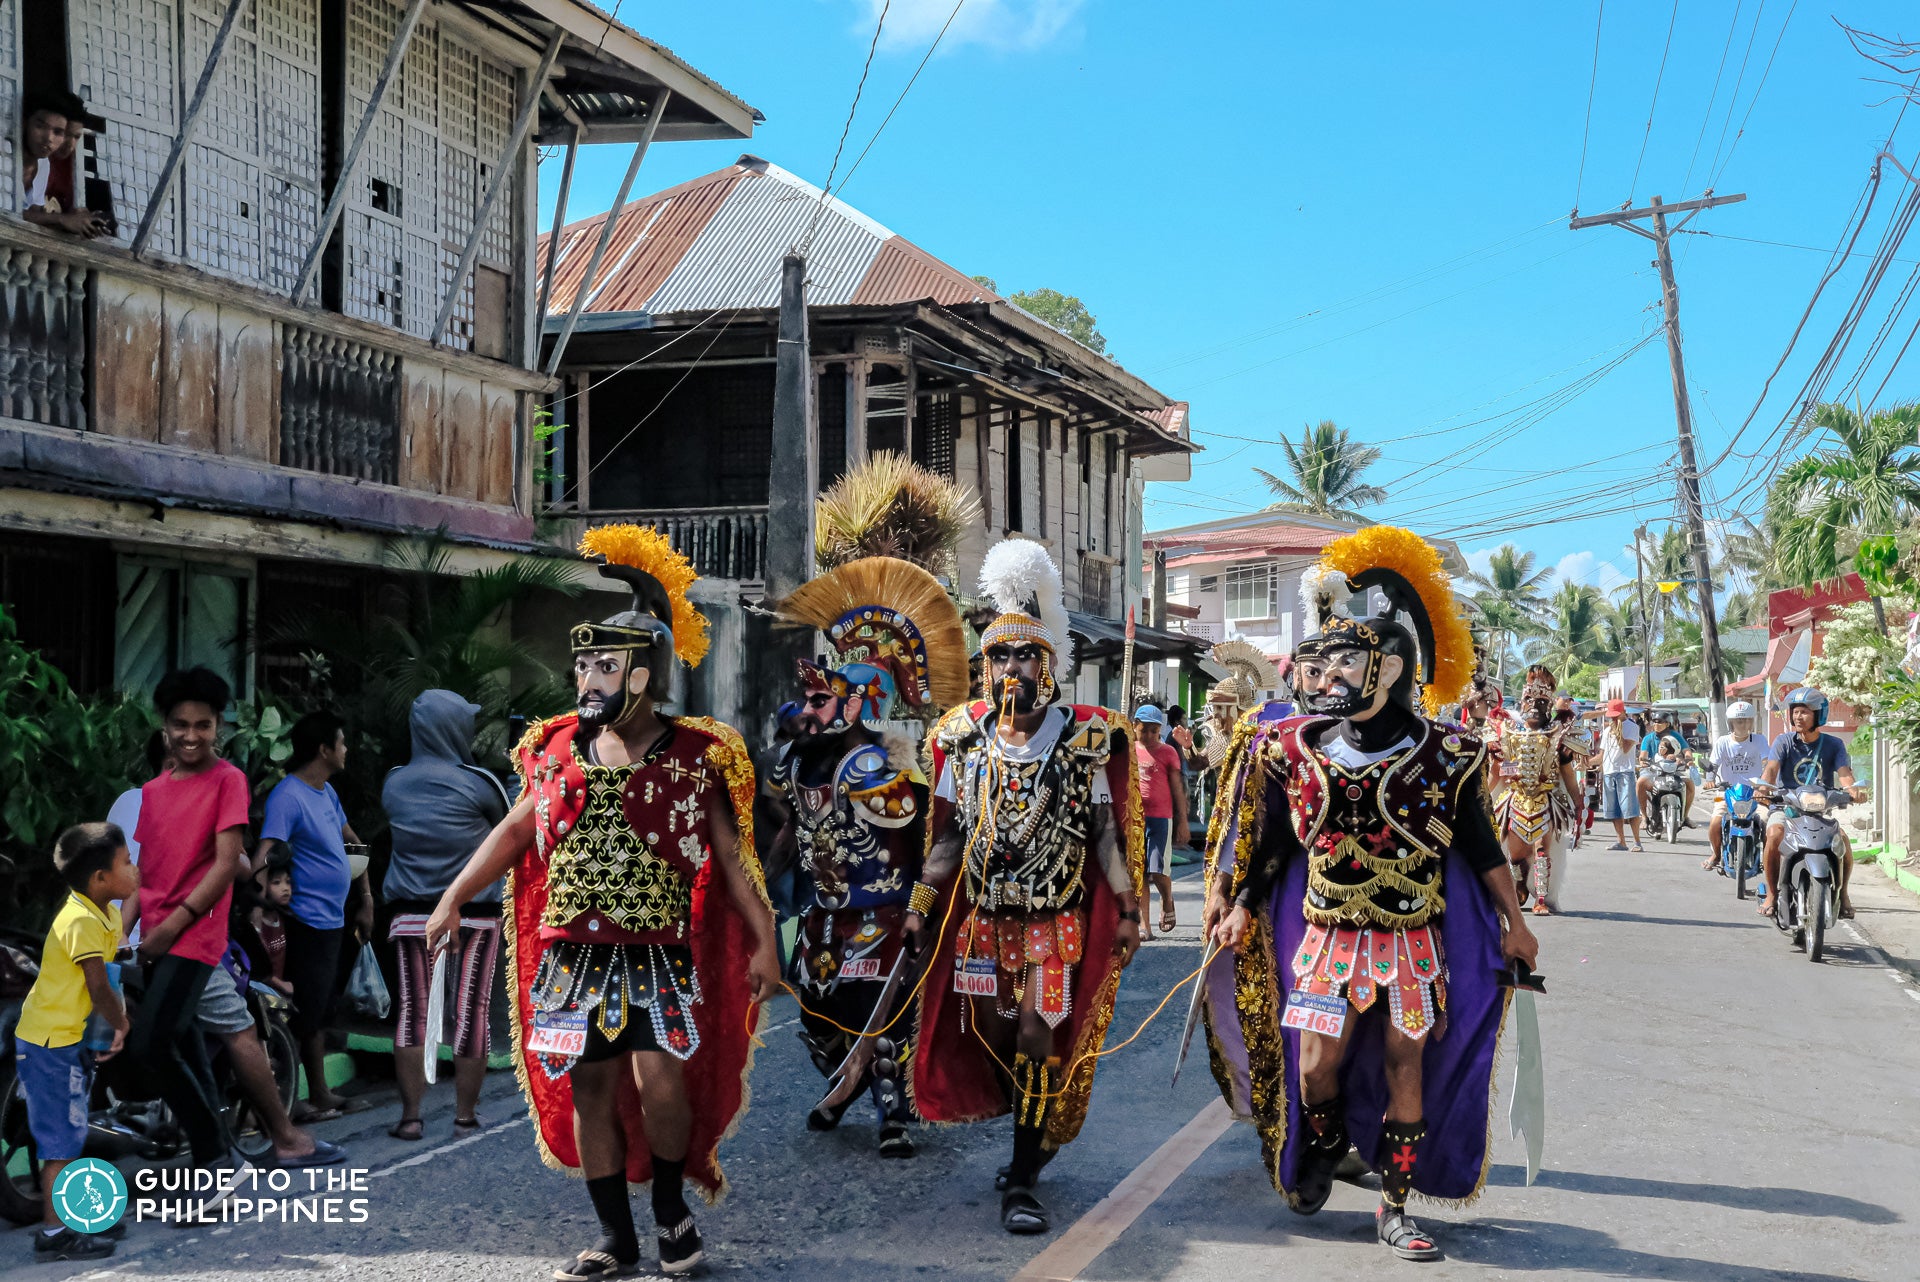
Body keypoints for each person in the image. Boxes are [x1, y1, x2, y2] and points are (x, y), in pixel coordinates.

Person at [427, 526, 779, 1280]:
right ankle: (613, 1236)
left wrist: (764, 939)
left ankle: (671, 1215)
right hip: (571, 951)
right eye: (582, 664)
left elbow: (731, 858)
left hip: (655, 947)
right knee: (591, 1089)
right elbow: (516, 830)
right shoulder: (552, 749)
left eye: (605, 665)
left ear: (644, 674)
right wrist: (454, 895)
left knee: (661, 1083)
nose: (587, 678)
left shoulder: (695, 754)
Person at [1204, 527, 1539, 1263]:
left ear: (1389, 669)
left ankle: (1393, 1206)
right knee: (1315, 1067)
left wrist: (1515, 922)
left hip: (1412, 940)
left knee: (1404, 1067)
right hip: (1325, 939)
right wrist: (1237, 905)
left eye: (1343, 663)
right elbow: (1273, 848)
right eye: (1320, 665)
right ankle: (1323, 1145)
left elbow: (1481, 846)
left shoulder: (1446, 755)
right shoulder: (1297, 752)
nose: (1325, 679)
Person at [909, 537, 1145, 1236]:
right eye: (999, 656)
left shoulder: (1086, 741)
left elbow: (1107, 835)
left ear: (1050, 665)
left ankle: (1019, 1177)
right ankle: (1031, 1133)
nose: (1012, 667)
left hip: (1055, 923)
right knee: (995, 1036)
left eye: (1025, 655)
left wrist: (1127, 907)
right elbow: (947, 835)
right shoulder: (962, 740)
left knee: (1039, 1036)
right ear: (986, 668)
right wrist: (922, 905)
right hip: (983, 923)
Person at [766, 555, 966, 1156]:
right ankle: (846, 1084)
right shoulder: (801, 761)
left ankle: (892, 1113)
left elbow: (933, 838)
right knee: (816, 1018)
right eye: (810, 699)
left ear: (861, 704)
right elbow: (794, 828)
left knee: (880, 1017)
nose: (809, 710)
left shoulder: (883, 770)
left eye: (823, 699)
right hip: (822, 915)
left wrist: (922, 909)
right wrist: (762, 876)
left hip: (881, 912)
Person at [128, 666, 256, 1205]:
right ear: (164, 727)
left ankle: (214, 1163)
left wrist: (174, 923)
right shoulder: (152, 792)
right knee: (183, 1049)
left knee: (152, 1046)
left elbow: (228, 864)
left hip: (195, 936)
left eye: (203, 725)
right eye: (180, 724)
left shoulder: (229, 780)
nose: (190, 735)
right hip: (155, 936)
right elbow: (146, 873)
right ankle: (224, 1160)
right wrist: (123, 929)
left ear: (218, 726)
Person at [382, 690, 512, 1143]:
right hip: (474, 912)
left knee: (411, 1012)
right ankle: (464, 1116)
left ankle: (410, 1117)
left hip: (411, 914)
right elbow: (508, 828)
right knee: (470, 1010)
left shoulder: (394, 782)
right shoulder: (479, 783)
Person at [15, 823, 135, 1261]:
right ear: (100, 878)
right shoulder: (79, 919)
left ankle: (75, 1216)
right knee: (60, 1140)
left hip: (69, 1037)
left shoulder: (103, 911)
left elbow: (109, 972)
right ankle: (54, 1234)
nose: (134, 869)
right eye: (126, 862)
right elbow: (99, 986)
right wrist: (120, 1023)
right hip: (49, 1043)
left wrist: (102, 1030)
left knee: (72, 1128)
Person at [252, 710, 372, 1123]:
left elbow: (352, 843)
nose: (345, 750)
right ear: (323, 750)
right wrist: (257, 900)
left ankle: (319, 1092)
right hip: (303, 919)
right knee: (304, 1008)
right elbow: (267, 849)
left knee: (321, 1007)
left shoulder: (326, 793)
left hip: (333, 919)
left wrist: (366, 897)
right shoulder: (289, 796)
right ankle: (311, 1094)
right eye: (340, 743)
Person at [1758, 688, 1867, 920]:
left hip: (1819, 809)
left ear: (1819, 715)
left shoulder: (1834, 744)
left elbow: (1845, 774)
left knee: (1843, 842)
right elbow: (1771, 769)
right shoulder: (1784, 741)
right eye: (1795, 712)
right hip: (1786, 807)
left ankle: (1844, 893)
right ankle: (1771, 894)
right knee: (1774, 834)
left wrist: (1853, 791)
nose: (1798, 717)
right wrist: (1763, 788)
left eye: (1804, 712)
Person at [1490, 667, 1581, 914]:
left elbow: (1568, 775)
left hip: (1547, 802)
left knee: (1542, 849)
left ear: (1549, 705)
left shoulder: (1559, 735)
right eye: (1530, 700)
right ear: (1522, 703)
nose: (1534, 706)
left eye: (1541, 701)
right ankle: (1519, 884)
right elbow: (1497, 771)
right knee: (1516, 855)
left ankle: (1541, 898)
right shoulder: (1507, 734)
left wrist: (1579, 805)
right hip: (1515, 801)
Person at [1134, 704, 1191, 936]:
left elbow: (1177, 789)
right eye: (1143, 730)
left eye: (1153, 731)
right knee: (1140, 873)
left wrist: (1182, 821)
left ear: (1160, 731)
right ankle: (1144, 926)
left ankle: (1167, 899)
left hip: (1161, 819)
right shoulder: (1128, 750)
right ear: (1134, 726)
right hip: (1136, 819)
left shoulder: (1168, 752)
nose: (1148, 735)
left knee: (1157, 871)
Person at [20, 93, 106, 238]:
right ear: (24, 123)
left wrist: (80, 224)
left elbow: (33, 215)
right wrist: (62, 219)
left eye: (58, 132)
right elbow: (9, 213)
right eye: (40, 126)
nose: (49, 139)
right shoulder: (5, 154)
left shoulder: (43, 165)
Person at [1701, 700, 1770, 872]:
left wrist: (1764, 784)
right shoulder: (1723, 742)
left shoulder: (1759, 740)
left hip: (1755, 793)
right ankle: (1716, 855)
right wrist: (1710, 779)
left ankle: (1769, 861)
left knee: (1767, 822)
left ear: (1752, 722)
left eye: (1747, 720)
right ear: (1731, 723)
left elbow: (1767, 761)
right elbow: (1713, 765)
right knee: (1715, 822)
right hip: (1725, 791)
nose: (1743, 724)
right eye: (1739, 721)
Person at [1595, 699, 1644, 851]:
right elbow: (1602, 755)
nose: (1613, 719)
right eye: (1611, 717)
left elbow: (1626, 748)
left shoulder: (1632, 727)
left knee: (1630, 809)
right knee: (1614, 810)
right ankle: (1621, 841)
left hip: (1624, 772)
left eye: (1616, 716)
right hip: (1610, 772)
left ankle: (1637, 842)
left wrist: (1618, 733)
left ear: (1624, 712)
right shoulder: (1607, 731)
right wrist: (1586, 763)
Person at [1635, 710, 1696, 829]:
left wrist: (1688, 759)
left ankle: (1685, 816)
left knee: (1689, 784)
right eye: (1655, 722)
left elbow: (1686, 750)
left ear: (1667, 724)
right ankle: (1644, 817)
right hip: (1653, 770)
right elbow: (1643, 755)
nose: (1656, 724)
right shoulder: (1648, 738)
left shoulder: (1676, 736)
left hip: (1674, 770)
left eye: (1660, 722)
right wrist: (1642, 761)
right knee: (1640, 782)